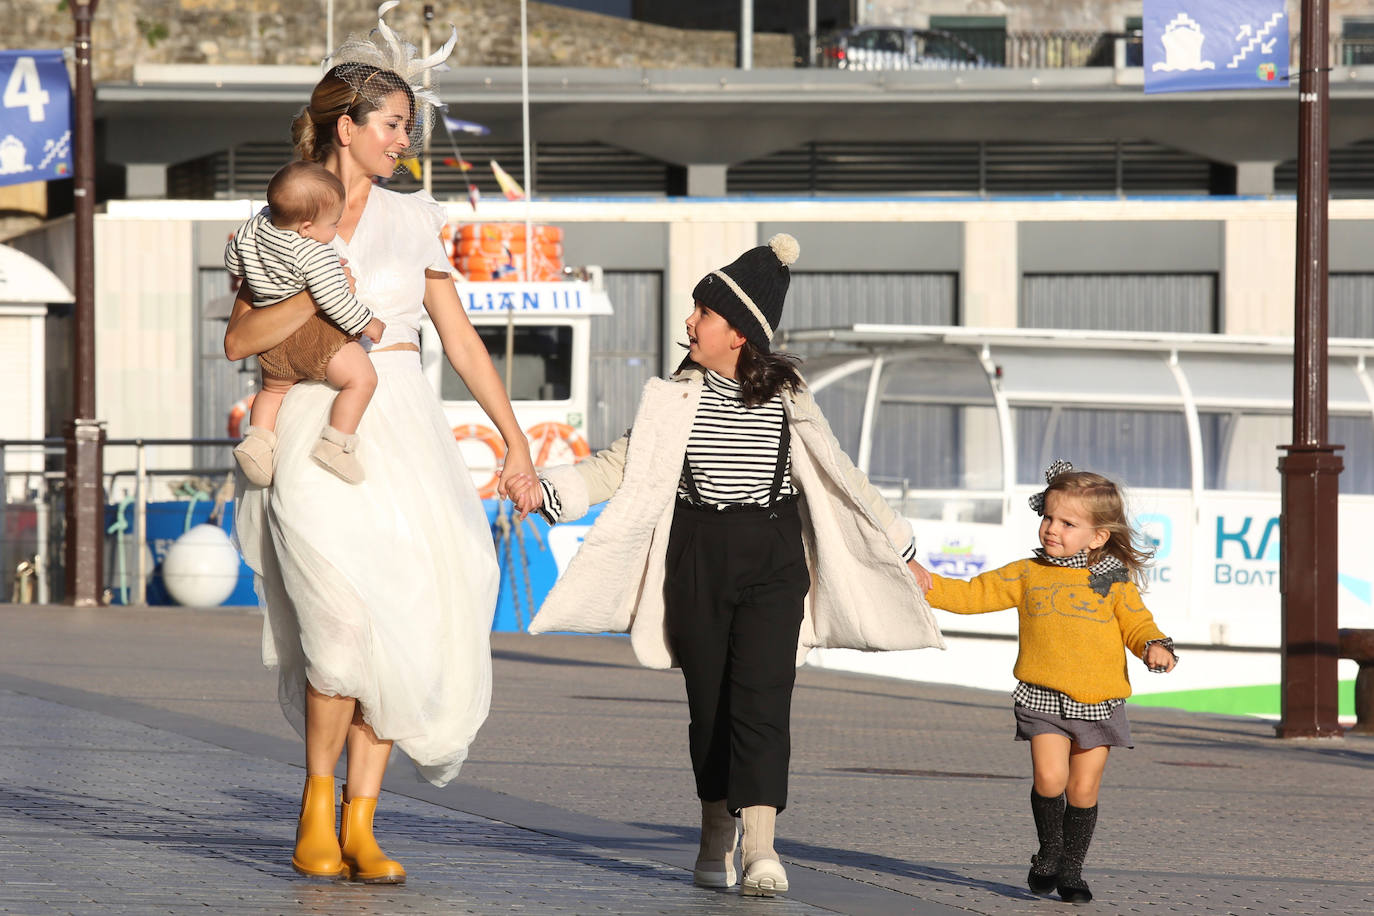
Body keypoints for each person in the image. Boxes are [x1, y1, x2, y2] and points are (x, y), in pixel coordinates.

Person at [508, 234, 944, 898]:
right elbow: (615, 467)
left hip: (771, 553)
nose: (689, 322)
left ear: (737, 333)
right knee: (710, 708)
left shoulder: (789, 397)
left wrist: (902, 551)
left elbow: (843, 477)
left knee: (764, 702)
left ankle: (763, 852)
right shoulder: (671, 398)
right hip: (697, 555)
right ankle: (716, 839)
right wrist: (547, 488)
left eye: (702, 314)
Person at [227, 5, 536, 885]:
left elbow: (461, 337)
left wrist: (512, 441)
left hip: (401, 417)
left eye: (408, 125)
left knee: (410, 614)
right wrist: (324, 296)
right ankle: (315, 811)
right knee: (339, 626)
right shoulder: (281, 215)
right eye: (394, 124)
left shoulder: (416, 216)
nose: (405, 139)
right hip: (309, 419)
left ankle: (362, 822)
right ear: (346, 126)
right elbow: (241, 341)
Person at [919, 460, 1178, 903]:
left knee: (1082, 789)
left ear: (1098, 535)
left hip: (1100, 703)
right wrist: (926, 582)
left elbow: (1137, 623)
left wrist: (1155, 646)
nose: (1051, 529)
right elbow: (972, 594)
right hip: (1041, 697)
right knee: (1049, 779)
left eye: (1067, 522)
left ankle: (1071, 870)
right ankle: (1049, 853)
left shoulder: (1110, 577)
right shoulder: (1026, 573)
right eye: (1048, 517)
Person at [225, 160, 387, 487]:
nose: (335, 232)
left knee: (272, 391)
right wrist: (368, 323)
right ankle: (336, 444)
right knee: (362, 379)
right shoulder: (316, 253)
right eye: (332, 224)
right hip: (315, 338)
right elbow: (334, 301)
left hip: (272, 340)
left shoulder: (255, 228)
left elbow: (232, 260)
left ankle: (258, 443)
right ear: (307, 227)